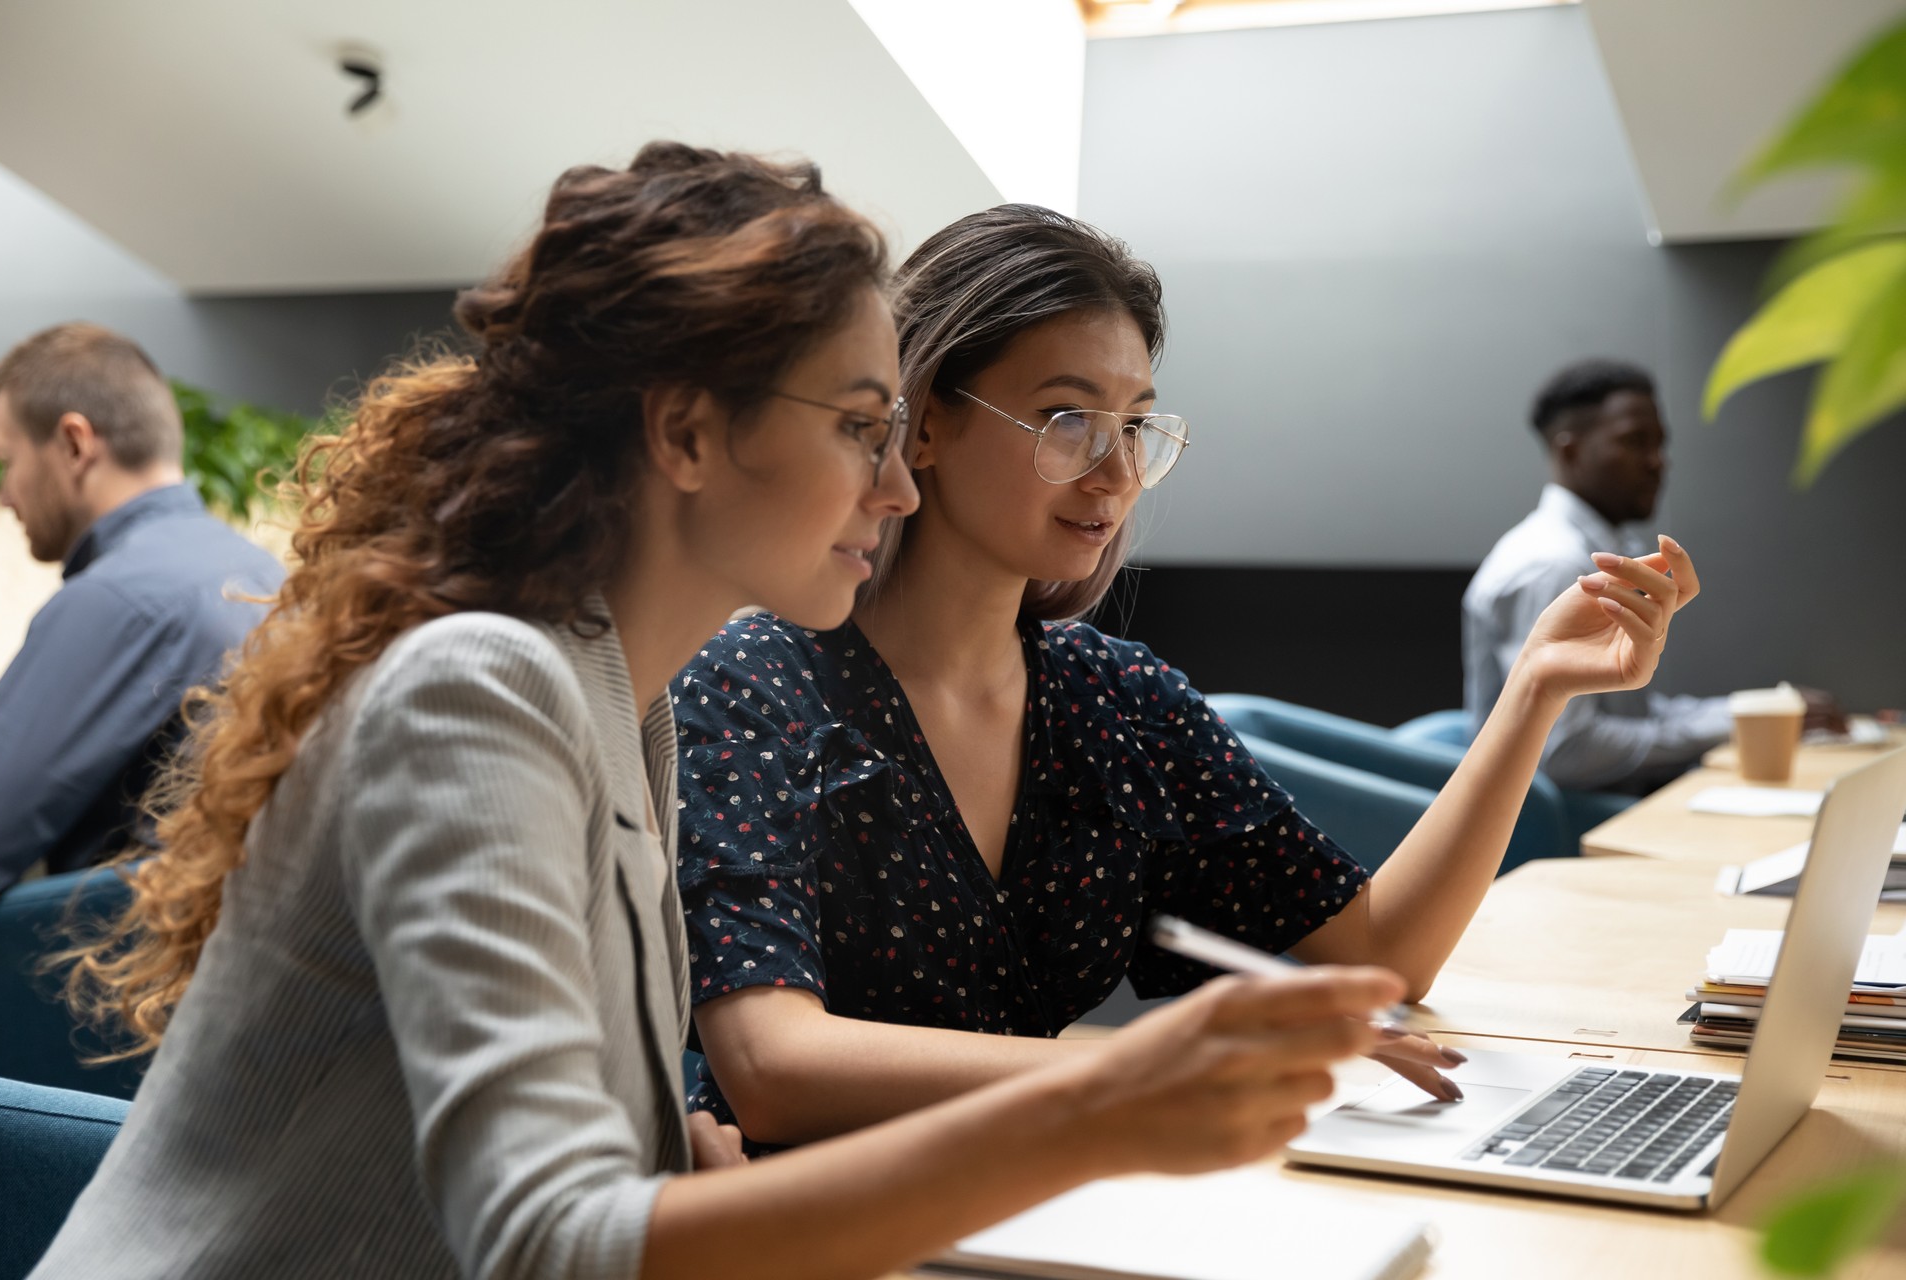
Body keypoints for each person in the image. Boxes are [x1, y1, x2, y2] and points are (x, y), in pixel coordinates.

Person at [34, 146, 1404, 1280]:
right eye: (862, 429)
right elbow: (548, 1248)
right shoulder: (481, 695)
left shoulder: (625, 702)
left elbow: (561, 1171)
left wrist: (661, 1152)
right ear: (688, 436)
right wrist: (1093, 1105)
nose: (901, 489)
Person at [672, 207, 1708, 1149]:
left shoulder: (1114, 698)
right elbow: (773, 1069)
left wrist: (1536, 689)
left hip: (1043, 1203)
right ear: (927, 420)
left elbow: (1379, 957)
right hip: (805, 1226)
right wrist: (1152, 1065)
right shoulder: (757, 682)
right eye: (1068, 419)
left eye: (1135, 426)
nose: (1116, 473)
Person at [0, 324, 283, 903]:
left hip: (112, 976)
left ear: (74, 443)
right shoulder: (266, 577)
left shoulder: (123, 599)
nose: (5, 495)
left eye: (8, 460)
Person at [1463, 359, 1839, 794]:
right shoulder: (1553, 566)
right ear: (1571, 451)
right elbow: (1566, 750)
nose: (1658, 462)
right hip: (1570, 819)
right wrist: (1733, 725)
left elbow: (1627, 713)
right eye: (1635, 442)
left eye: (1660, 444)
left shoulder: (1598, 551)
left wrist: (1752, 711)